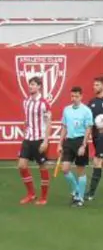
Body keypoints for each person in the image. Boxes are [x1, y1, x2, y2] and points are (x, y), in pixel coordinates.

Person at [17, 77, 51, 205]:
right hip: (28, 139)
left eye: (33, 84)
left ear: (39, 87)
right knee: (21, 165)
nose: (30, 86)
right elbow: (27, 119)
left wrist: (46, 141)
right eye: (29, 84)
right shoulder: (25, 102)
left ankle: (43, 197)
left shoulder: (44, 103)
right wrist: (25, 129)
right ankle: (31, 194)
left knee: (42, 167)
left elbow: (49, 123)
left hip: (39, 139)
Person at [59, 86, 94, 207]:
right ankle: (76, 191)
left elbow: (88, 129)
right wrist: (60, 143)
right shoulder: (66, 110)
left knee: (80, 170)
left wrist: (83, 145)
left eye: (76, 96)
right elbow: (64, 126)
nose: (74, 98)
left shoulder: (86, 111)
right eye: (72, 96)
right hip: (69, 141)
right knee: (65, 169)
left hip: (80, 141)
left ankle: (80, 198)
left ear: (81, 96)